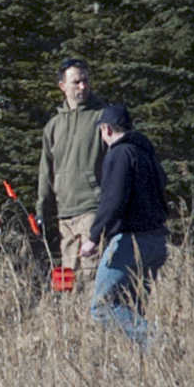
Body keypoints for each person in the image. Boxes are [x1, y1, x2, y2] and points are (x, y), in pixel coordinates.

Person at [79, 104, 168, 345]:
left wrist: (93, 238)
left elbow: (112, 200)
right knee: (132, 308)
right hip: (156, 241)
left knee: (102, 308)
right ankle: (153, 361)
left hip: (131, 242)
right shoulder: (146, 153)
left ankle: (159, 340)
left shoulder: (119, 154)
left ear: (106, 129)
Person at [38, 58, 107, 286]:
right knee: (69, 280)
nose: (82, 87)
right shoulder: (54, 126)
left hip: (92, 210)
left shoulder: (102, 117)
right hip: (64, 214)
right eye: (76, 82)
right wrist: (43, 211)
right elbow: (46, 172)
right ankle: (74, 321)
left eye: (85, 81)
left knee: (92, 276)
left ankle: (98, 320)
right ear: (62, 86)